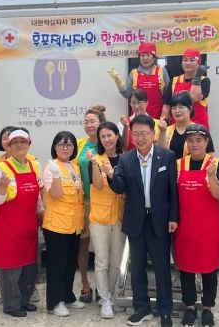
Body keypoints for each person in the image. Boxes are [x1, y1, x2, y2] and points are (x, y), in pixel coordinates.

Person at [108, 114, 178, 327]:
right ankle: (142, 308)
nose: (139, 138)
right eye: (135, 134)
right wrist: (110, 174)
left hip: (160, 220)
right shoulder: (126, 159)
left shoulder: (167, 156)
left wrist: (173, 217)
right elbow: (119, 188)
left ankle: (165, 310)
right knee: (137, 267)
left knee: (161, 267)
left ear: (153, 134)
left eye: (143, 133)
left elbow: (173, 191)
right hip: (136, 220)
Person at [174, 124, 219, 327]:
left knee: (209, 270)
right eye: (190, 140)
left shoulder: (216, 164)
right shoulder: (178, 164)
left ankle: (207, 309)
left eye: (199, 140)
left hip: (208, 229)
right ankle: (189, 307)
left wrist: (212, 177)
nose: (194, 144)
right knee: (186, 269)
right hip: (185, 226)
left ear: (206, 142)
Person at [0, 128, 41, 318]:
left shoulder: (34, 165)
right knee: (11, 269)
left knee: (29, 268)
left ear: (29, 144)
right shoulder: (1, 168)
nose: (19, 145)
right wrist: (2, 188)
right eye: (15, 142)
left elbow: (38, 196)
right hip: (8, 228)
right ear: (9, 146)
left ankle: (25, 301)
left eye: (23, 141)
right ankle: (11, 305)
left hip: (29, 226)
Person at [85, 121, 127, 319]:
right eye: (103, 136)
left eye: (110, 135)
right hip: (99, 218)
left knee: (116, 261)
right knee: (102, 261)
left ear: (117, 136)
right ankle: (104, 299)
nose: (107, 139)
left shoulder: (126, 159)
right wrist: (95, 164)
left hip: (120, 217)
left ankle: (109, 294)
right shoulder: (95, 160)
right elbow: (99, 186)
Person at [42, 131, 86, 317]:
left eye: (69, 145)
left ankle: (67, 296)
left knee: (69, 263)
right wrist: (56, 175)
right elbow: (56, 194)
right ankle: (55, 302)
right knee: (57, 265)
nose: (65, 148)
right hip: (56, 225)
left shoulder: (74, 167)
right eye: (61, 144)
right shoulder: (51, 167)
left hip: (74, 225)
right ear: (55, 147)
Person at [75, 105, 105, 302]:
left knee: (103, 246)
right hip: (83, 201)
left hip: (104, 201)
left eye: (92, 121)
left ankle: (104, 287)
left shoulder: (107, 142)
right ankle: (85, 284)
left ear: (101, 123)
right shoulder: (80, 144)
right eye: (86, 122)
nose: (88, 125)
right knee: (83, 244)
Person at [108, 42, 170, 119]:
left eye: (148, 55)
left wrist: (165, 113)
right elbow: (127, 95)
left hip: (158, 116)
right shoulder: (133, 73)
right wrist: (118, 80)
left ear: (154, 57)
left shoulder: (162, 71)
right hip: (138, 117)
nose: (145, 58)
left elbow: (168, 95)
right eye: (142, 55)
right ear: (139, 57)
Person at [161, 48, 210, 130]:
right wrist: (163, 124)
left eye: (192, 60)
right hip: (176, 126)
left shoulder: (204, 80)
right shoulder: (174, 80)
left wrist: (197, 76)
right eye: (185, 60)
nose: (188, 63)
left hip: (197, 127)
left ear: (198, 63)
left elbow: (194, 97)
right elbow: (166, 105)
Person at [158, 91, 214, 160]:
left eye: (181, 107)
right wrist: (162, 132)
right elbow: (160, 154)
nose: (177, 111)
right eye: (174, 108)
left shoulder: (201, 131)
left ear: (190, 108)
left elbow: (210, 157)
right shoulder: (166, 130)